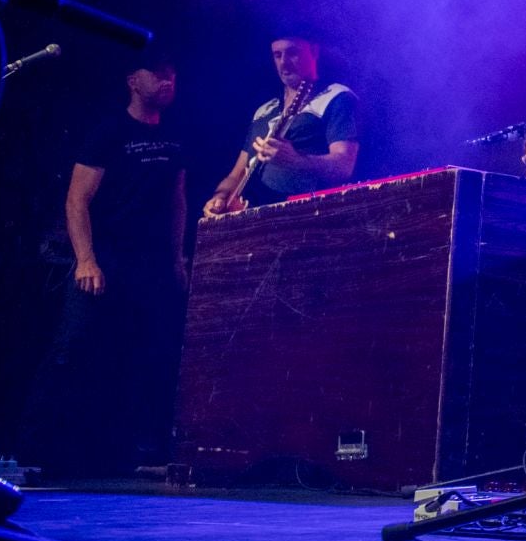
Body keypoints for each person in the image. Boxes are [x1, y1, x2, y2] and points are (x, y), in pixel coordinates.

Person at [20, 50, 187, 474]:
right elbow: (77, 199)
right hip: (107, 257)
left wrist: (177, 257)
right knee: (73, 348)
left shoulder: (176, 137)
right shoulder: (108, 131)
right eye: (158, 74)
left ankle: (122, 452)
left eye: (171, 75)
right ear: (134, 79)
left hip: (150, 263)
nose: (167, 82)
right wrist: (86, 260)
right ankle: (35, 450)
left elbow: (177, 200)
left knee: (138, 353)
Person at [204, 34, 359, 216]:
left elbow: (343, 166)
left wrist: (295, 160)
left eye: (292, 53)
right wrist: (219, 197)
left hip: (304, 218)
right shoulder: (264, 111)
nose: (284, 62)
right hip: (252, 222)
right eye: (277, 55)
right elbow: (236, 174)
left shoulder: (336, 97)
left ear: (314, 52)